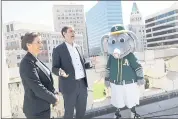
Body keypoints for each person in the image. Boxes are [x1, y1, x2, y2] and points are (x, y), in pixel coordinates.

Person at [19, 32, 59, 119]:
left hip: (43, 107)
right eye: (38, 42)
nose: (41, 44)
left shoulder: (36, 60)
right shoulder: (26, 63)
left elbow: (47, 81)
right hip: (36, 110)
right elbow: (37, 87)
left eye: (41, 42)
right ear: (29, 45)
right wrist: (54, 99)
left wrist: (55, 92)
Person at [52, 25, 88, 119]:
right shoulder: (58, 49)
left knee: (82, 112)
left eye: (74, 31)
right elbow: (54, 68)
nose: (73, 33)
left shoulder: (78, 47)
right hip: (68, 86)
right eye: (71, 31)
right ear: (64, 34)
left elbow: (82, 63)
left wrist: (91, 63)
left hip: (82, 85)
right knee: (69, 113)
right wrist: (60, 72)